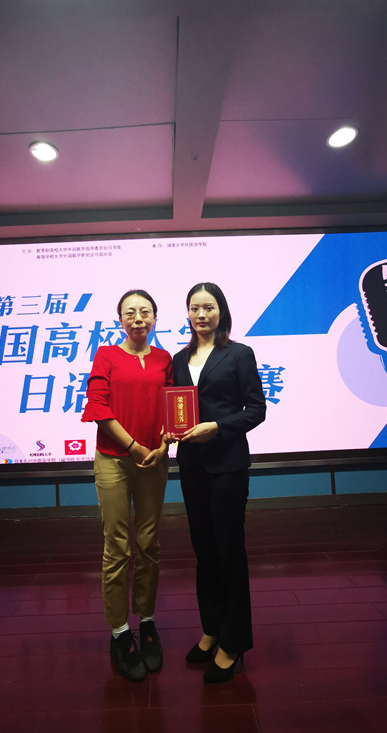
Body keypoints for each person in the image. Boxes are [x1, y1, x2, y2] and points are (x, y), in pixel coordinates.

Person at [168, 282, 266, 684]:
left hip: (227, 466)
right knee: (204, 550)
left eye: (208, 307)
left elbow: (256, 410)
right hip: (191, 466)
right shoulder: (179, 359)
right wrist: (170, 430)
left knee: (229, 552)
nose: (201, 314)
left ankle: (234, 641)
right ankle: (211, 629)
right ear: (188, 314)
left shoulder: (239, 354)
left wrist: (217, 427)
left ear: (221, 311)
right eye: (195, 308)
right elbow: (175, 407)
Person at [81, 289, 173, 682]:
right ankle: (120, 632)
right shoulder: (106, 355)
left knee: (149, 543)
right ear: (120, 320)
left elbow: (175, 405)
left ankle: (147, 621)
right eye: (130, 312)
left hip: (155, 459)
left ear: (154, 318)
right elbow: (97, 406)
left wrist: (165, 444)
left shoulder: (165, 359)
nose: (138, 318)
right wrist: (135, 447)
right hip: (115, 461)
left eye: (145, 312)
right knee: (117, 545)